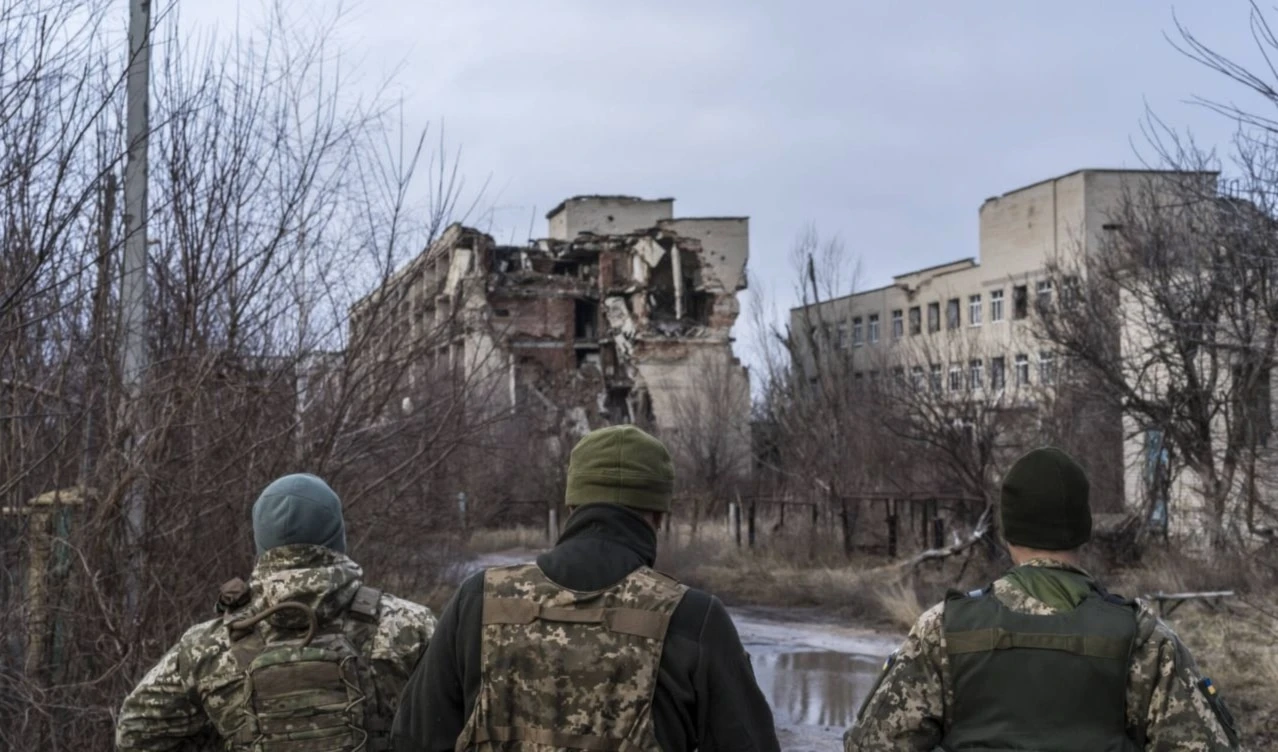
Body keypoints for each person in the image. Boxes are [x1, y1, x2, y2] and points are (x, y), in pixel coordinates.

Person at [391, 425, 780, 752]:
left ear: (572, 504)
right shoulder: (694, 618)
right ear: (659, 515)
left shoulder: (479, 600)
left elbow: (414, 738)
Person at [843, 447, 1242, 751]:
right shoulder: (1145, 641)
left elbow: (872, 744)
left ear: (1008, 532)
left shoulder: (943, 631)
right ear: (1083, 530)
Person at [117, 473, 436, 751]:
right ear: (338, 534)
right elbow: (465, 720)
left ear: (261, 541)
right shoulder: (408, 626)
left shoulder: (206, 647)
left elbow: (135, 733)